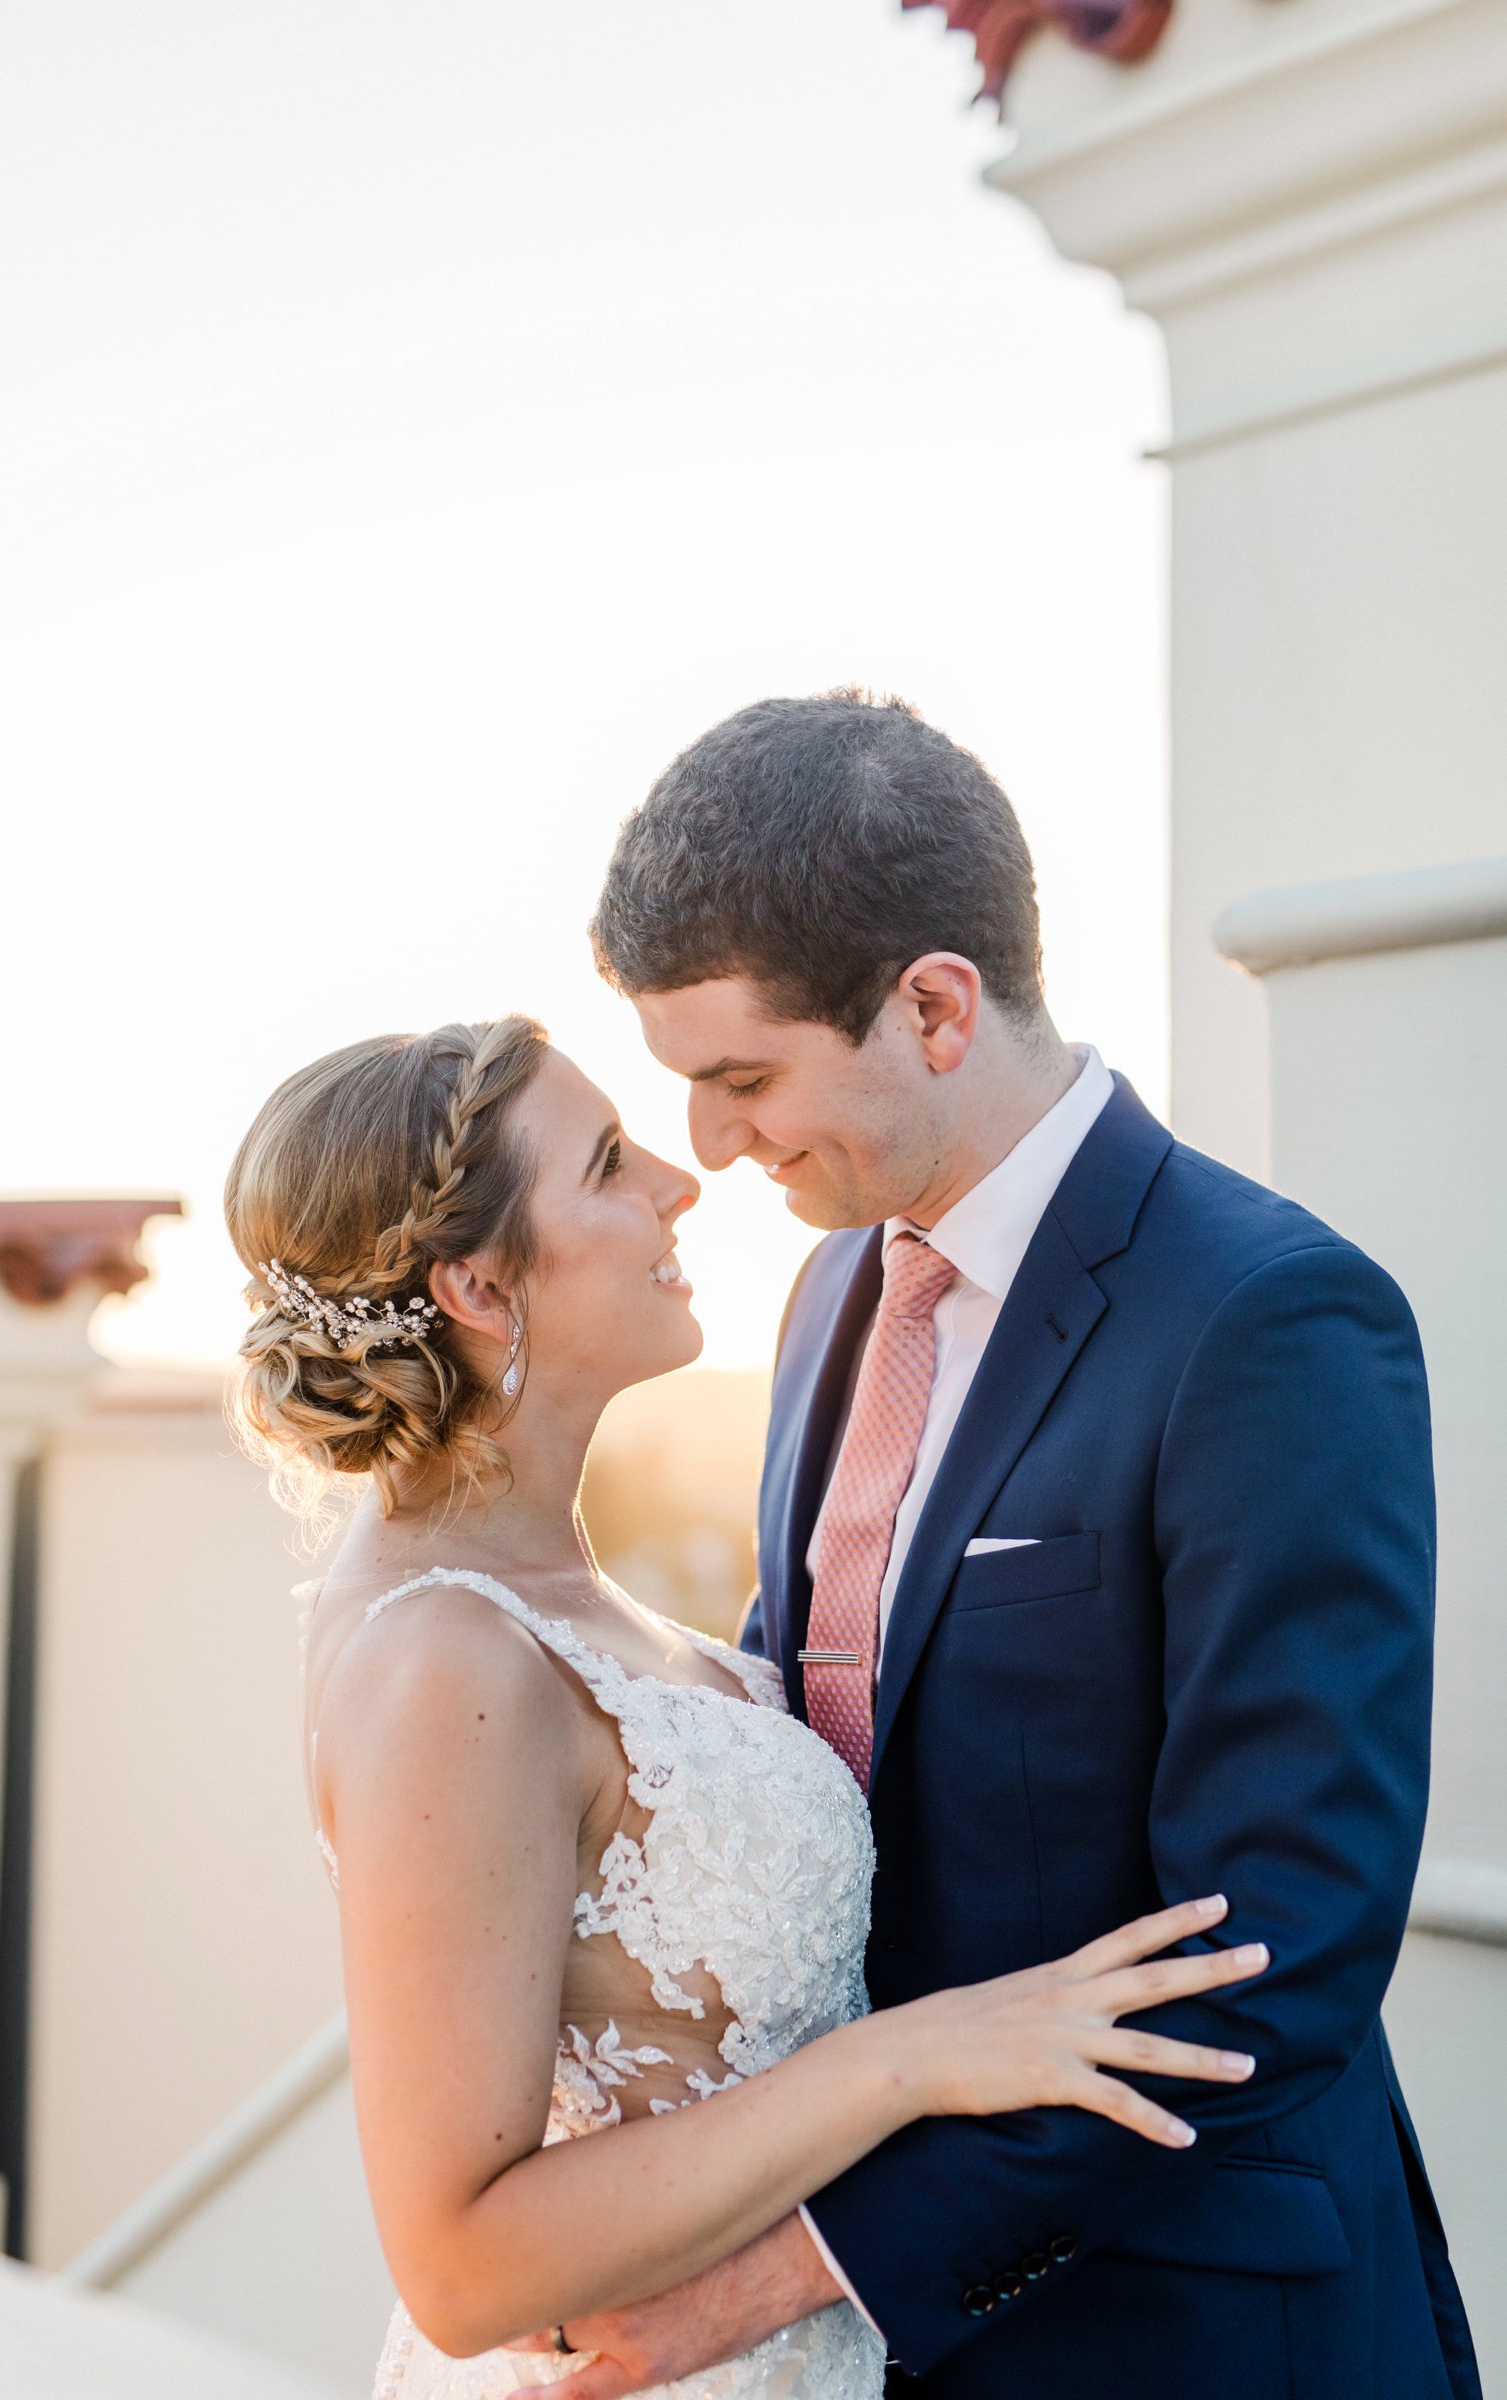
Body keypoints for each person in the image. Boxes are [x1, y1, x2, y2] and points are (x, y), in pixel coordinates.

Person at [572, 687, 1481, 2400]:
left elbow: (1266, 1959)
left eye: (744, 1076)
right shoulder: (838, 1281)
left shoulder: (1273, 1322)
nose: (707, 1145)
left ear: (931, 1006)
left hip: (1179, 2328)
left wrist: (781, 2273)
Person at [225, 1019, 1268, 2400]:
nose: (679, 1176)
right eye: (606, 1162)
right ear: (479, 1285)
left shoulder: (546, 1586)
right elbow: (463, 2269)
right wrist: (912, 2060)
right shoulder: (444, 1662)